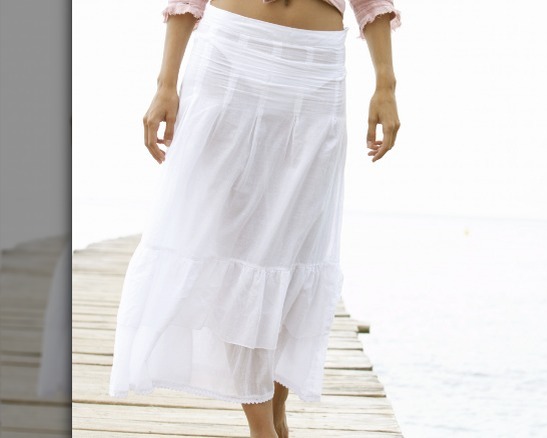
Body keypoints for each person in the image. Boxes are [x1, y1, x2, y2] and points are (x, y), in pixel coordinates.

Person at [107, 0, 401, 437]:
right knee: (232, 247)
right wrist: (166, 83)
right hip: (229, 53)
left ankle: (275, 414)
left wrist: (386, 86)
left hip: (313, 68)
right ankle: (262, 426)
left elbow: (371, 3)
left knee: (294, 251)